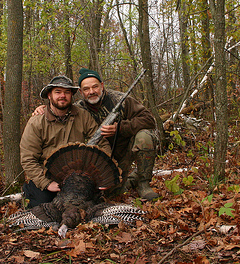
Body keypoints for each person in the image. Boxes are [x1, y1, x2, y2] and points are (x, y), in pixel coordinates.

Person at [33, 69, 159, 200]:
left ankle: (144, 184)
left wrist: (120, 128)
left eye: (95, 87)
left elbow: (149, 120)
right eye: (86, 89)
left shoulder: (121, 100)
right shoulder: (78, 109)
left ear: (102, 86)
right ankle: (131, 180)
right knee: (112, 194)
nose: (91, 91)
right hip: (101, 161)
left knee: (145, 137)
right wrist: (43, 108)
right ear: (81, 92)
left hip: (125, 151)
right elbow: (59, 107)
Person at [20, 75, 112, 208]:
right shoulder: (36, 122)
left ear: (72, 95)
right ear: (49, 96)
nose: (62, 95)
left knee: (89, 208)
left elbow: (101, 143)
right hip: (47, 176)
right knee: (43, 209)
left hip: (77, 177)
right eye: (58, 92)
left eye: (67, 92)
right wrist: (46, 183)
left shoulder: (82, 115)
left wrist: (101, 175)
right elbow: (28, 158)